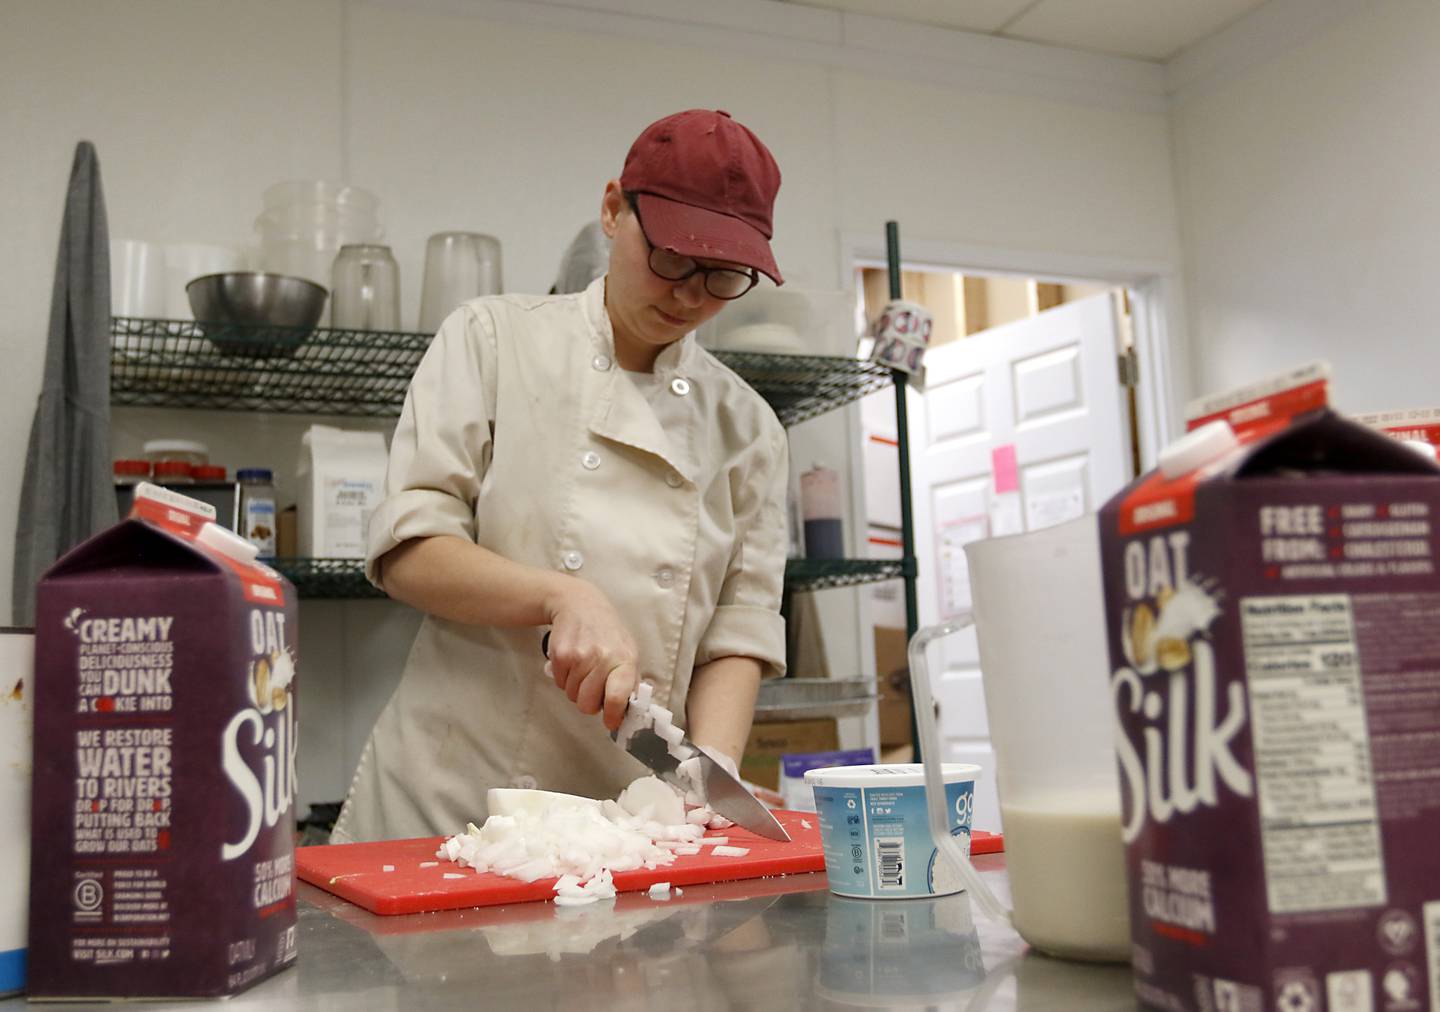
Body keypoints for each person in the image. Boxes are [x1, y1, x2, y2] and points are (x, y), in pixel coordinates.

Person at [331, 109, 790, 843]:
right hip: (453, 802)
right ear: (613, 210)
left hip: (627, 818)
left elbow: (740, 631)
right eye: (671, 258)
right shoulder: (492, 340)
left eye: (723, 276)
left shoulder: (750, 427)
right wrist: (561, 595)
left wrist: (712, 774)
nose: (688, 296)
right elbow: (409, 551)